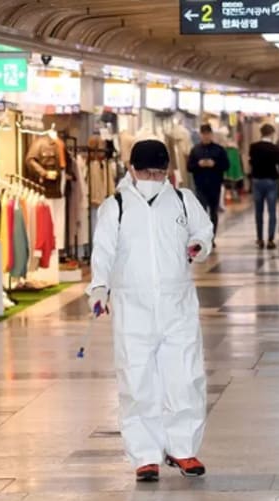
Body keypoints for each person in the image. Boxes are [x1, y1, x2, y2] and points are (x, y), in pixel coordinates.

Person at [87, 139, 214, 482]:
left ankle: (183, 449)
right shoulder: (116, 206)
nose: (153, 177)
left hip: (177, 304)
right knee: (137, 380)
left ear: (168, 171)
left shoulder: (184, 200)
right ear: (131, 170)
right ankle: (145, 455)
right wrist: (99, 286)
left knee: (185, 377)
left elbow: (204, 230)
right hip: (134, 306)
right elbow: (103, 251)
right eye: (146, 171)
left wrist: (199, 245)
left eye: (159, 172)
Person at [187, 124, 229, 245]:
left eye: (207, 134)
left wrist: (214, 164)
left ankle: (211, 237)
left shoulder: (219, 150)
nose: (205, 136)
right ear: (200, 135)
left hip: (215, 185)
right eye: (203, 134)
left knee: (213, 212)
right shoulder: (195, 150)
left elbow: (226, 165)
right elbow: (189, 167)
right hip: (200, 185)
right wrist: (198, 165)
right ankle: (203, 237)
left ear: (211, 134)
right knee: (202, 211)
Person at [249, 123, 279, 249]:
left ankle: (260, 239)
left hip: (257, 181)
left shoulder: (253, 147)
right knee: (272, 211)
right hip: (271, 181)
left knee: (258, 211)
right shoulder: (275, 148)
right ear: (271, 134)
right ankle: (270, 239)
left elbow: (251, 162)